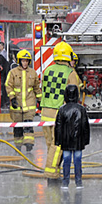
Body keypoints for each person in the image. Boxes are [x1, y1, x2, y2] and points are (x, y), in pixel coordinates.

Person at [40, 41, 82, 178]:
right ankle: (51, 172)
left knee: (50, 145)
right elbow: (73, 97)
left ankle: (54, 169)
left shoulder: (47, 70)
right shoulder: (71, 73)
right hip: (60, 114)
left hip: (45, 113)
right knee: (58, 144)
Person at [55, 84, 90, 189]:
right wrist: (86, 140)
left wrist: (58, 140)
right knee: (78, 160)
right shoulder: (81, 109)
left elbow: (58, 127)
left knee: (66, 160)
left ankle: (65, 182)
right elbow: (85, 126)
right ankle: (78, 182)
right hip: (78, 140)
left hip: (66, 140)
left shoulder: (62, 109)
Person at [5, 49, 41, 151]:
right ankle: (18, 147)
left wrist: (40, 100)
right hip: (17, 105)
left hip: (29, 105)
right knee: (18, 128)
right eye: (23, 60)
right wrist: (12, 98)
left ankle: (29, 145)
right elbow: (8, 85)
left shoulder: (33, 73)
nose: (25, 63)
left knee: (29, 126)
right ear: (19, 61)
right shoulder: (13, 72)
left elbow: (36, 88)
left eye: (26, 61)